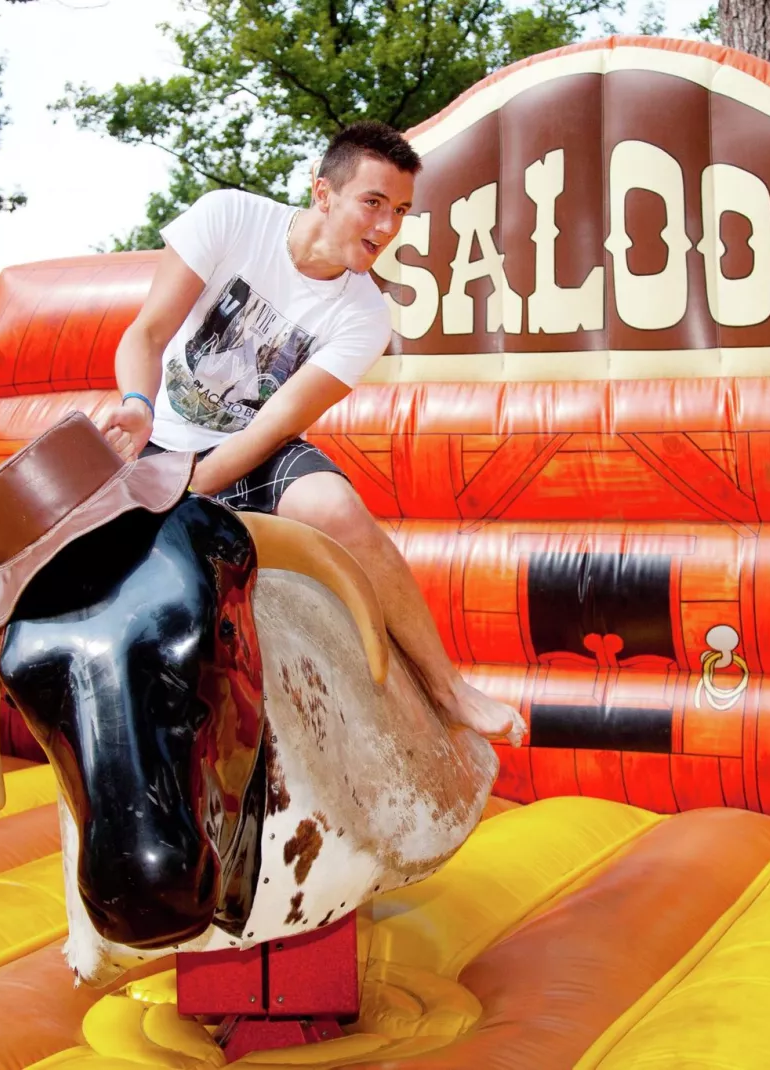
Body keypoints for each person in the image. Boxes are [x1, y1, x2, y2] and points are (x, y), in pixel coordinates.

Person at [94, 121, 525, 747]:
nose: (386, 227)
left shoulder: (367, 316)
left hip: (246, 449)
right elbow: (147, 333)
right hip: (157, 435)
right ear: (323, 193)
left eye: (400, 210)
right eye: (372, 203)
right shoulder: (230, 218)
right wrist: (137, 406)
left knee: (336, 508)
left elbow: (274, 424)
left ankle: (448, 688)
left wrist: (188, 492)